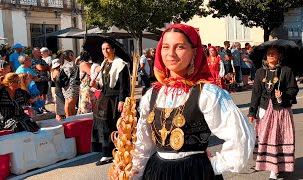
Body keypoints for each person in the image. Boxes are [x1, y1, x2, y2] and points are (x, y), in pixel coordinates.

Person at [130, 24, 255, 180]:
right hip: (157, 172)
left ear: (194, 52)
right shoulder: (152, 95)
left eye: (180, 47)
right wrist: (134, 173)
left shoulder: (207, 94)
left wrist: (215, 165)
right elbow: (143, 144)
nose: (171, 54)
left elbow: (241, 135)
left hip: (195, 172)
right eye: (166, 47)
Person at [248, 47, 299, 180]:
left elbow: (293, 89)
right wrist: (252, 112)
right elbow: (256, 93)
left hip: (281, 110)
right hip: (265, 108)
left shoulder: (286, 71)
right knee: (266, 138)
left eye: (273, 53)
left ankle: (276, 170)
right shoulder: (260, 72)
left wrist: (283, 95)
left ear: (279, 55)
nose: (270, 55)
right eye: (268, 53)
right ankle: (271, 166)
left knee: (278, 138)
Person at [92, 41, 130, 166]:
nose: (105, 51)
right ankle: (106, 152)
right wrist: (95, 84)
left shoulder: (120, 64)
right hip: (104, 98)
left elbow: (124, 85)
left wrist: (122, 100)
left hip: (114, 99)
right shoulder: (104, 64)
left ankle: (114, 151)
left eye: (108, 48)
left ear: (113, 49)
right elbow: (103, 83)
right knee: (102, 124)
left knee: (113, 125)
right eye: (103, 49)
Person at [60, 50, 80, 117]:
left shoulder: (63, 65)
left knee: (67, 102)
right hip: (73, 85)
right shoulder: (71, 64)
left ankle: (68, 118)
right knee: (72, 103)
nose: (73, 56)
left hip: (65, 86)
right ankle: (73, 118)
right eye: (71, 55)